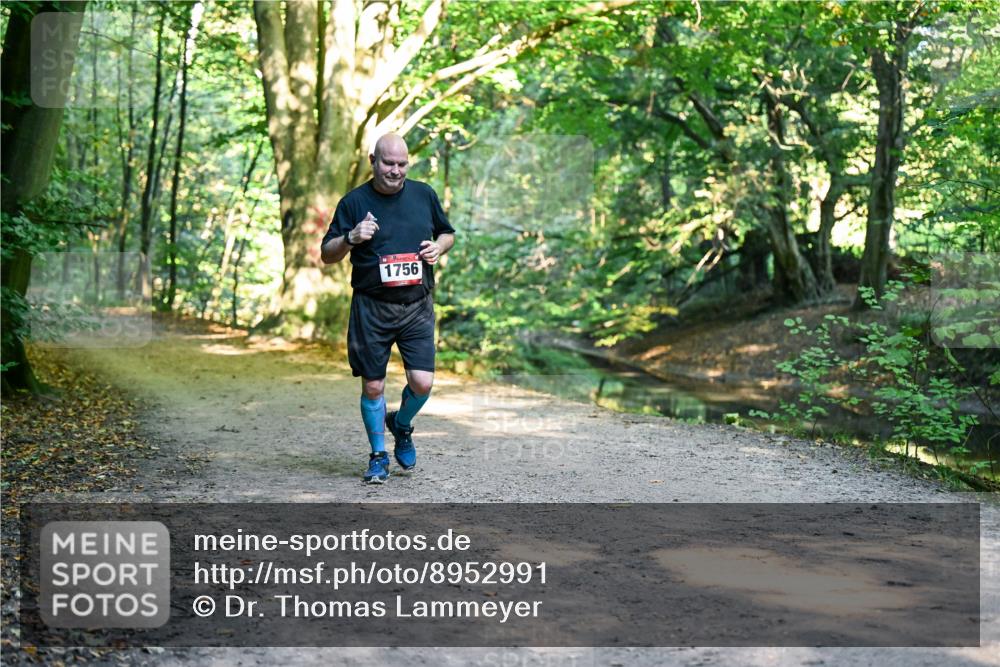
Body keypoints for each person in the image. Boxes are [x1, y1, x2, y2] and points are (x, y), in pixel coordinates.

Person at [320, 133, 455, 483]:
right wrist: (351, 237)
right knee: (373, 387)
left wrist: (438, 249)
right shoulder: (353, 203)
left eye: (402, 164)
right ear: (372, 161)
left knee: (422, 383)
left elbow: (447, 233)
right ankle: (378, 455)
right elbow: (327, 254)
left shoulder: (424, 194)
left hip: (416, 305)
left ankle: (401, 423)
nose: (395, 171)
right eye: (388, 163)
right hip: (372, 307)